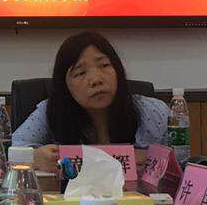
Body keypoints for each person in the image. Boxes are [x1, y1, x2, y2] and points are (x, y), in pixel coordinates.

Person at [11, 31, 169, 172]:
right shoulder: (50, 111)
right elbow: (12, 150)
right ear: (64, 85)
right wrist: (35, 157)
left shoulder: (153, 112)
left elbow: (178, 166)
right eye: (80, 73)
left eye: (104, 65)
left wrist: (154, 160)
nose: (96, 80)